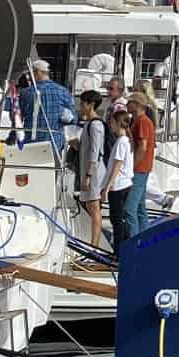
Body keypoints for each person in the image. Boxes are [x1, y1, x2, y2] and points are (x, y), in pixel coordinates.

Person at [17, 59, 76, 150]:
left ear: (37, 72)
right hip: (55, 143)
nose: (29, 77)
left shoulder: (26, 93)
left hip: (31, 142)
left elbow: (18, 118)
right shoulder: (63, 91)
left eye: (30, 73)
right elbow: (73, 119)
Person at [75, 90, 106, 251]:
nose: (80, 107)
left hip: (93, 172)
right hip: (88, 170)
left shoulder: (96, 125)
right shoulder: (88, 123)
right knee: (89, 205)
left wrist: (88, 175)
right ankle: (93, 243)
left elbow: (95, 151)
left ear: (91, 105)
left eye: (82, 104)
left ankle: (95, 245)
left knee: (94, 207)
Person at [103, 105, 135, 254]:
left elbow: (117, 165)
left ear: (117, 123)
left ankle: (119, 251)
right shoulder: (125, 140)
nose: (110, 125)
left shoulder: (122, 141)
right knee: (118, 218)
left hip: (119, 185)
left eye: (112, 122)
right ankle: (124, 248)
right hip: (125, 184)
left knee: (116, 220)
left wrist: (107, 187)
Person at [125, 88, 157, 236]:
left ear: (136, 104)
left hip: (139, 169)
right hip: (143, 168)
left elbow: (142, 147)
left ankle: (133, 240)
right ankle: (143, 236)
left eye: (129, 102)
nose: (126, 104)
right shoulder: (139, 121)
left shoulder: (142, 122)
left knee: (129, 209)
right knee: (140, 208)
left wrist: (132, 167)